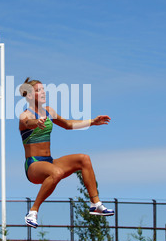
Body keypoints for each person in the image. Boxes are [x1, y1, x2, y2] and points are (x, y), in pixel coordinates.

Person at [19, 77, 114, 228]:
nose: (43, 92)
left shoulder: (49, 111)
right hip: (34, 165)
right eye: (38, 91)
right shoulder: (25, 115)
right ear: (30, 96)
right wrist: (37, 122)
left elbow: (68, 125)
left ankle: (95, 204)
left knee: (84, 159)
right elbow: (26, 123)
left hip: (48, 161)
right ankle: (32, 211)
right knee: (56, 172)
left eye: (43, 89)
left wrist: (92, 122)